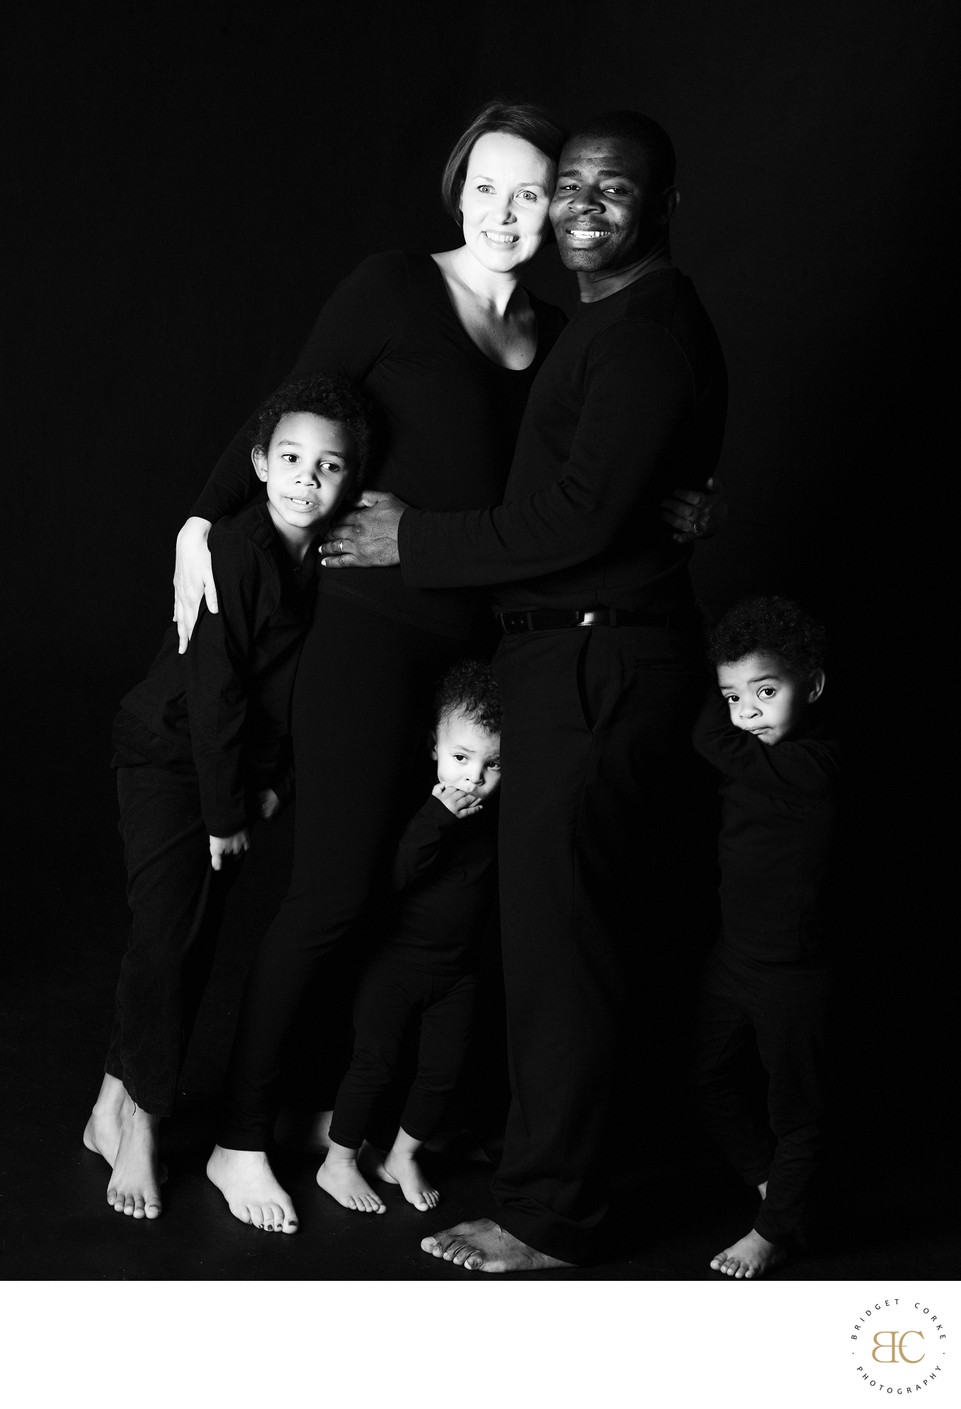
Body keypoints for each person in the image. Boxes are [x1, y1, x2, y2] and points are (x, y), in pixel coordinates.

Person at [172, 101, 713, 1234]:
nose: (516, 211)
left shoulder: (564, 333)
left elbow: (584, 481)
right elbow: (295, 404)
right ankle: (235, 1134)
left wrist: (677, 498)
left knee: (426, 899)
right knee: (330, 890)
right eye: (492, 187)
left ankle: (344, 1118)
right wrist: (200, 517)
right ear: (457, 190)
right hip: (372, 629)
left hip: (482, 653)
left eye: (536, 190)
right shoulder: (391, 288)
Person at [322, 111, 729, 1270]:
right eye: (571, 187)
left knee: (565, 949)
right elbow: (609, 494)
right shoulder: (610, 327)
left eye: (615, 187)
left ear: (662, 206)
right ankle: (555, 1159)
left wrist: (410, 538)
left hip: (600, 664)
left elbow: (577, 517)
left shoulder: (645, 331)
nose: (584, 206)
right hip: (573, 656)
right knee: (560, 940)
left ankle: (553, 1217)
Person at [82, 374, 371, 1220]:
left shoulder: (316, 559)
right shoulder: (236, 551)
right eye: (288, 459)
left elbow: (283, 690)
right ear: (257, 461)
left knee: (184, 942)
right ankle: (143, 1125)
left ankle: (112, 1099)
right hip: (169, 754)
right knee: (168, 940)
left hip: (232, 770)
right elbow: (215, 693)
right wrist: (225, 815)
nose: (304, 479)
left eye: (327, 467)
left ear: (349, 481)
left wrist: (272, 783)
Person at [318, 659, 501, 1215]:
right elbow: (391, 880)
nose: (472, 778)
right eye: (461, 758)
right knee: (374, 1064)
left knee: (442, 1073)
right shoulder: (420, 812)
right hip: (394, 965)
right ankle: (339, 1161)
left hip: (457, 972)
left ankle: (402, 1154)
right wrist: (437, 818)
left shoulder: (498, 816)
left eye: (493, 765)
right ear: (434, 748)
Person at [691, 596, 839, 1279]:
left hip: (792, 972)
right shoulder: (749, 756)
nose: (745, 712)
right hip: (733, 957)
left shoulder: (817, 764)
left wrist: (709, 712)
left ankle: (773, 1229)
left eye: (765, 691)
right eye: (730, 695)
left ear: (810, 687)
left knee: (795, 1106)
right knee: (707, 1076)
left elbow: (709, 739)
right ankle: (770, 1186)